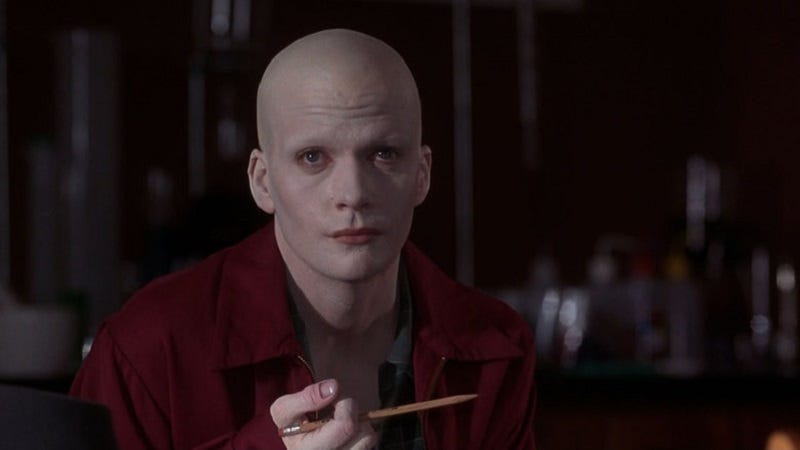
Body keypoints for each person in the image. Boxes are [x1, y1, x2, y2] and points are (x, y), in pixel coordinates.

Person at [71, 29, 536, 450]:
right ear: (262, 182)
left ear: (421, 175)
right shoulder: (148, 349)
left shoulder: (493, 348)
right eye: (313, 157)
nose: (353, 193)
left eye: (383, 153)